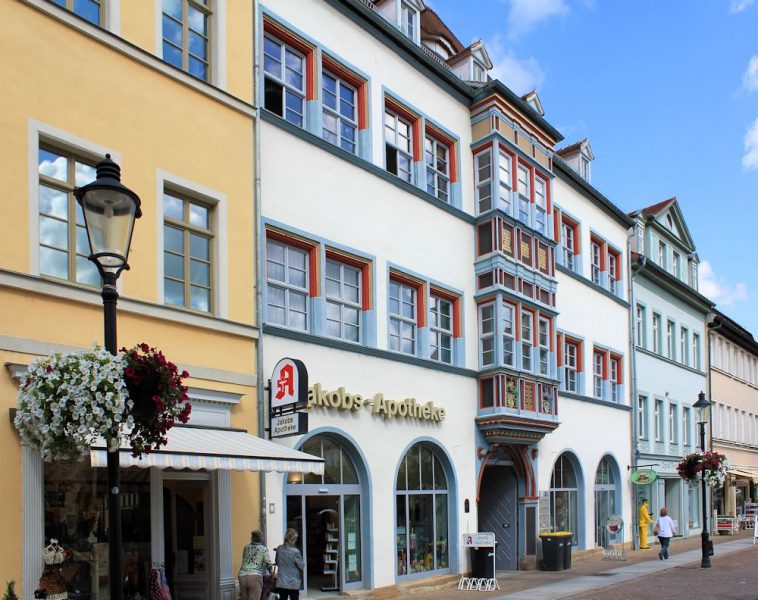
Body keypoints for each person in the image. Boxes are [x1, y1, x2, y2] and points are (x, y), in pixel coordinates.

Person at [239, 530, 272, 600]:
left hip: (242, 576)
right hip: (255, 576)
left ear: (252, 538)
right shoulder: (264, 549)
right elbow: (268, 563)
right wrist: (271, 572)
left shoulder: (246, 547)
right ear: (261, 539)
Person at [275, 528, 305, 600]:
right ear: (293, 539)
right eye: (296, 538)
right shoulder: (295, 552)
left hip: (281, 581)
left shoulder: (279, 548)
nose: (296, 540)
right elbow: (301, 566)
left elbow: (277, 561)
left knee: (282, 598)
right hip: (293, 582)